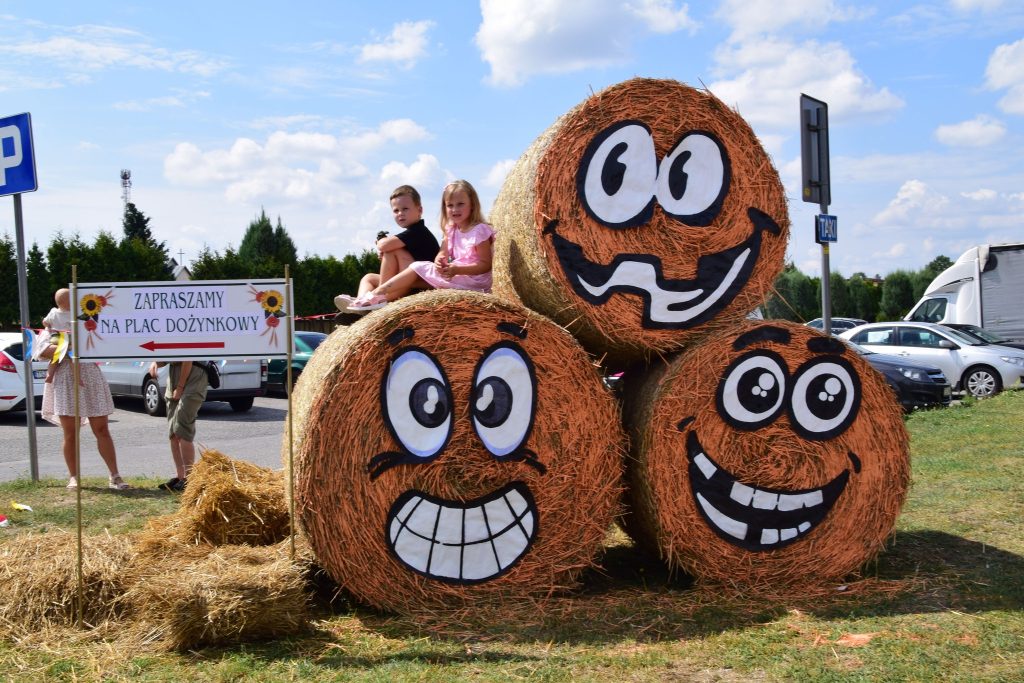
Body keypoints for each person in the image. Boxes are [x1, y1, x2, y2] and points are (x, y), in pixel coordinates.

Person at [348, 180, 494, 311]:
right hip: (454, 275)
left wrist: (457, 269)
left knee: (418, 265)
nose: (455, 209)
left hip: (474, 283)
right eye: (450, 205)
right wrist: (439, 260)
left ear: (472, 205)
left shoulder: (478, 230)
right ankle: (362, 304)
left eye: (460, 204)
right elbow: (442, 253)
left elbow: (486, 265)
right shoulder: (451, 230)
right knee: (370, 276)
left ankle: (376, 295)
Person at [39, 289, 129, 490]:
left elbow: (104, 341)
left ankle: (115, 476)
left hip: (90, 375)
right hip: (65, 377)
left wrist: (83, 344)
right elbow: (42, 350)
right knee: (70, 432)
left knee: (102, 429)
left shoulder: (87, 317)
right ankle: (74, 477)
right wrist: (68, 347)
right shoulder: (54, 320)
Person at [335, 185, 440, 312]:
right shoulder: (410, 234)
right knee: (368, 278)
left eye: (405, 209)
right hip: (408, 282)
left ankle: (377, 298)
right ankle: (360, 304)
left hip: (423, 284)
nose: (400, 214)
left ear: (420, 210)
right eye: (396, 211)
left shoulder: (419, 231)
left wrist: (381, 240)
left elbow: (384, 245)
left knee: (392, 250)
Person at [150, 360, 208, 492]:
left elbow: (188, 357)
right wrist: (155, 363)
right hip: (174, 379)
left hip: (193, 379)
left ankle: (189, 478)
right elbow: (167, 355)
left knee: (182, 430)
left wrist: (180, 387)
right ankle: (180, 477)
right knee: (173, 433)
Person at [40, 288, 73, 383]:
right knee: (72, 357)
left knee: (55, 358)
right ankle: (76, 375)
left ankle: (50, 375)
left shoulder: (53, 312)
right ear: (69, 303)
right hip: (67, 338)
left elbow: (44, 322)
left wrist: (49, 328)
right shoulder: (72, 313)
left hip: (55, 337)